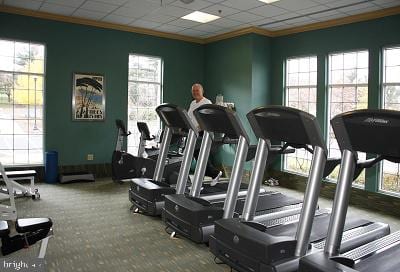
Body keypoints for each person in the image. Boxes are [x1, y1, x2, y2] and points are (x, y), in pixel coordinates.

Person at [187, 83, 222, 185]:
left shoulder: (206, 102)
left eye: (197, 90)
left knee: (199, 156)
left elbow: (208, 120)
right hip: (193, 133)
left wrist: (197, 129)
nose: (195, 92)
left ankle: (213, 174)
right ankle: (208, 176)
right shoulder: (193, 103)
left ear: (202, 91)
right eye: (193, 91)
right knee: (198, 157)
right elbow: (190, 118)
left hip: (203, 133)